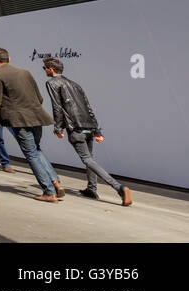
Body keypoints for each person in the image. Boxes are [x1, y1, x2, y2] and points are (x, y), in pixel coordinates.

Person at [43, 58, 132, 206]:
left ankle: (119, 188)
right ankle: (92, 189)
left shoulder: (52, 83)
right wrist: (97, 130)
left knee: (87, 159)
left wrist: (58, 128)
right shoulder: (75, 85)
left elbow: (57, 106)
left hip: (75, 128)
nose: (44, 70)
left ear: (51, 69)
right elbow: (88, 107)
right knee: (90, 159)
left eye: (44, 68)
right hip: (88, 127)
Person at [0, 47, 63, 203]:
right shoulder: (25, 72)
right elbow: (39, 97)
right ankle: (55, 182)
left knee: (31, 154)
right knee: (36, 149)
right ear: (9, 59)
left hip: (19, 120)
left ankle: (49, 192)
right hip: (36, 116)